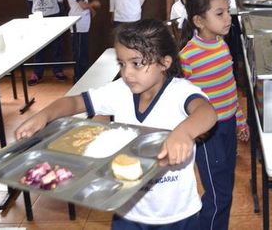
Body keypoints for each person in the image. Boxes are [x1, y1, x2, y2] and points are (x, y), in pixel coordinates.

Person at [15, 19, 217, 230]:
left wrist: (183, 132)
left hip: (177, 216)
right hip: (127, 211)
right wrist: (44, 115)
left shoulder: (180, 92)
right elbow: (75, 101)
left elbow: (206, 112)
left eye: (137, 63)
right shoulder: (120, 90)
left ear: (165, 63)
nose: (127, 73)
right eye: (122, 64)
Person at [179, 0, 249, 230]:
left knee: (224, 188)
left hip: (228, 126)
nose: (228, 18)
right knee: (219, 193)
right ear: (199, 21)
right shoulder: (188, 56)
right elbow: (179, 99)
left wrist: (240, 119)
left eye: (227, 11)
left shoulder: (222, 45)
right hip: (207, 133)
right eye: (219, 13)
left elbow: (229, 88)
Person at [25, 0, 67, 85]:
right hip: (38, 21)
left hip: (54, 19)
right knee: (39, 48)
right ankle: (37, 73)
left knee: (57, 47)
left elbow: (61, 0)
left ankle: (58, 70)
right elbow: (29, 4)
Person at [64, 0, 101, 83]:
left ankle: (83, 76)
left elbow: (84, 5)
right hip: (78, 26)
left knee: (83, 51)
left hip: (83, 25)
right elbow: (82, 5)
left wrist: (91, 9)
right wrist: (93, 4)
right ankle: (79, 77)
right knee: (79, 53)